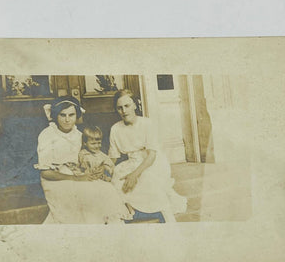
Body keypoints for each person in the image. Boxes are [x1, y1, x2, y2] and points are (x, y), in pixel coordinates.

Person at [35, 96, 130, 224]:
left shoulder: (79, 135)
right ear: (56, 115)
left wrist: (98, 169)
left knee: (106, 189)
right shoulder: (47, 135)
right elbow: (45, 173)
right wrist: (76, 178)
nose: (67, 120)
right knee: (85, 194)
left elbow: (90, 157)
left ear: (77, 115)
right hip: (57, 179)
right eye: (62, 115)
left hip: (79, 174)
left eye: (71, 115)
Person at [109, 89, 187, 222]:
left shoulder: (147, 124)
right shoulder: (115, 128)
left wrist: (134, 174)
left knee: (147, 179)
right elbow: (113, 157)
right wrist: (105, 168)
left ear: (135, 105)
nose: (124, 111)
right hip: (131, 163)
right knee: (116, 181)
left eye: (127, 106)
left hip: (152, 162)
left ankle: (164, 214)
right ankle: (129, 210)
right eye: (119, 108)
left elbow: (152, 156)